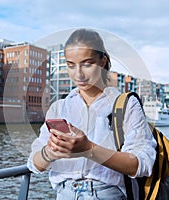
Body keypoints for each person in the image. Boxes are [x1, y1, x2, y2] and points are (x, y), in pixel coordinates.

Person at [27, 28, 156, 200]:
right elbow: (34, 164)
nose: (78, 74)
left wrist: (88, 149)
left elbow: (142, 164)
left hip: (106, 194)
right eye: (71, 65)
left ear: (102, 61)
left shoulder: (125, 105)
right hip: (63, 194)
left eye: (87, 64)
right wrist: (51, 152)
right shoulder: (59, 108)